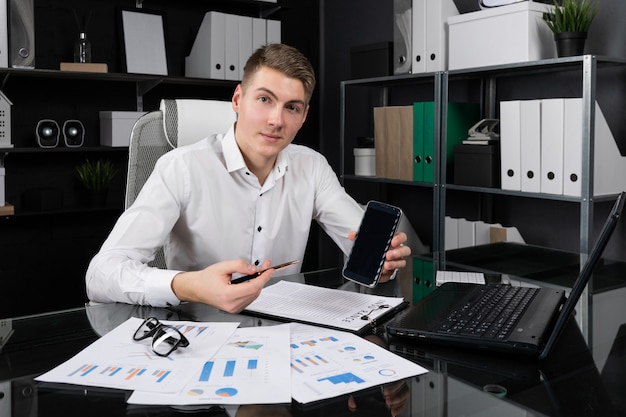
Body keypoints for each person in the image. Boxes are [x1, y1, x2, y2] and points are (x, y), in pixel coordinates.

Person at [86, 43, 411, 313]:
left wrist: (381, 265)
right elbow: (101, 275)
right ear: (238, 100)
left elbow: (360, 245)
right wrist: (190, 285)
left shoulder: (311, 167)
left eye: (292, 107)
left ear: (303, 117)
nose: (276, 120)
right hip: (198, 329)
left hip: (285, 334)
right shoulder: (181, 167)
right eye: (264, 99)